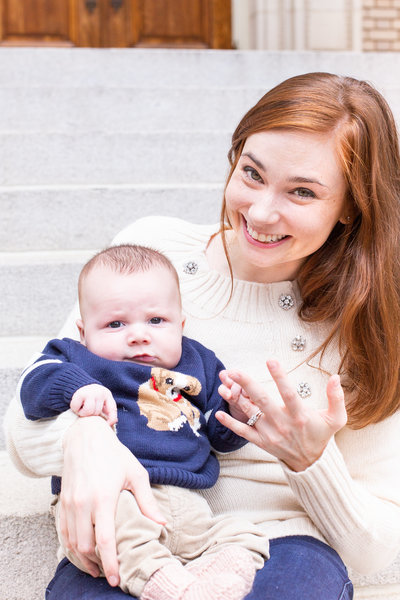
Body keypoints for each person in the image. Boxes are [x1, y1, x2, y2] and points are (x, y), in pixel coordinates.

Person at [5, 72, 400, 600]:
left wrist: (310, 460)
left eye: (302, 191)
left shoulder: (365, 320)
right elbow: (24, 426)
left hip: (273, 544)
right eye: (252, 174)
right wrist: (85, 438)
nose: (260, 213)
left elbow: (379, 550)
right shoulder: (152, 253)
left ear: (352, 205)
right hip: (133, 520)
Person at [18, 244, 269, 600]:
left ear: (181, 325)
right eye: (115, 324)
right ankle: (164, 583)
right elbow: (33, 384)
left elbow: (217, 432)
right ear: (83, 331)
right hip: (110, 495)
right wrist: (77, 387)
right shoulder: (77, 358)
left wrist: (239, 413)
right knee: (124, 532)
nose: (138, 334)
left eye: (156, 321)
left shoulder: (199, 362)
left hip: (189, 502)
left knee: (242, 534)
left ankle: (217, 580)